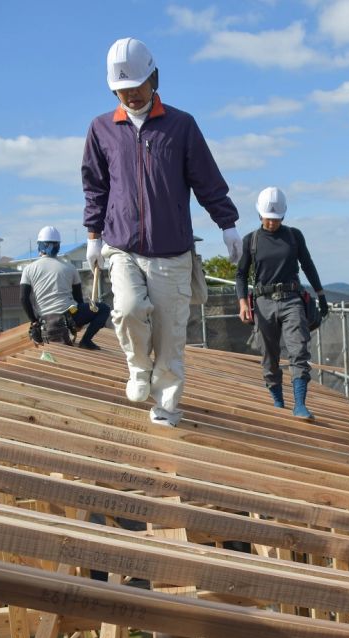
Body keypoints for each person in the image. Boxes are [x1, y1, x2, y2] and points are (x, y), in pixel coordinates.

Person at [82, 37, 241, 427]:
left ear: (154, 78)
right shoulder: (101, 129)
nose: (131, 95)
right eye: (122, 90)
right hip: (123, 246)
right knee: (129, 309)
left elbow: (207, 180)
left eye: (136, 86)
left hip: (172, 252)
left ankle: (166, 406)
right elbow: (95, 186)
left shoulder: (181, 126)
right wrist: (93, 235)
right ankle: (138, 367)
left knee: (170, 338)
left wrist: (228, 224)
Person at [236, 187, 328, 419]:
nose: (272, 223)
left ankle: (300, 405)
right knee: (270, 356)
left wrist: (321, 294)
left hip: (292, 301)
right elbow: (241, 274)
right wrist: (242, 303)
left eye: (276, 219)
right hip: (263, 303)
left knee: (299, 351)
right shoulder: (251, 241)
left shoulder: (294, 236)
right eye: (268, 218)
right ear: (260, 215)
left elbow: (307, 264)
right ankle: (278, 401)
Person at [20, 226, 111, 350]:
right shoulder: (69, 267)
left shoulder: (29, 269)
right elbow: (78, 298)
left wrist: (34, 320)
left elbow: (23, 298)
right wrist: (80, 322)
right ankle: (86, 341)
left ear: (40, 245)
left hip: (46, 320)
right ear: (58, 246)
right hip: (70, 316)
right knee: (104, 309)